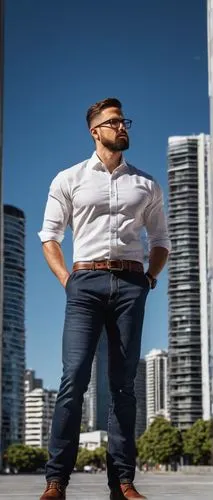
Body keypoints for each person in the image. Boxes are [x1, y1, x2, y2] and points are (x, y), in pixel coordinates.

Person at [38, 97, 171, 500]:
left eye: (124, 120)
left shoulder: (146, 184)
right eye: (114, 122)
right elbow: (49, 236)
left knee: (123, 386)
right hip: (84, 285)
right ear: (95, 131)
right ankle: (56, 481)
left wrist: (148, 278)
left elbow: (161, 240)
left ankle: (123, 481)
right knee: (73, 379)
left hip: (131, 286)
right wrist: (68, 280)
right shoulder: (69, 178)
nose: (123, 126)